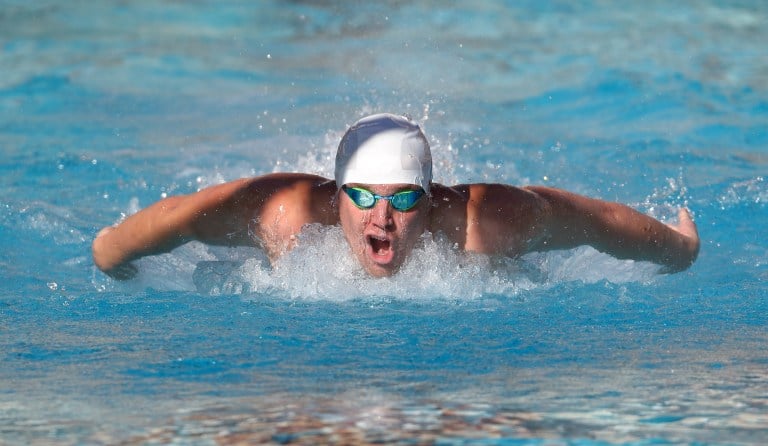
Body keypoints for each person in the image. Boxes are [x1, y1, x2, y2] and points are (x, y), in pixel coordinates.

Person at [92, 113, 699, 280]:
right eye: (364, 197)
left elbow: (596, 221)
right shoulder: (284, 216)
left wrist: (677, 249)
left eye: (404, 200)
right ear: (335, 198)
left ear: (432, 200)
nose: (382, 218)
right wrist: (110, 257)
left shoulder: (487, 222)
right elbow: (176, 218)